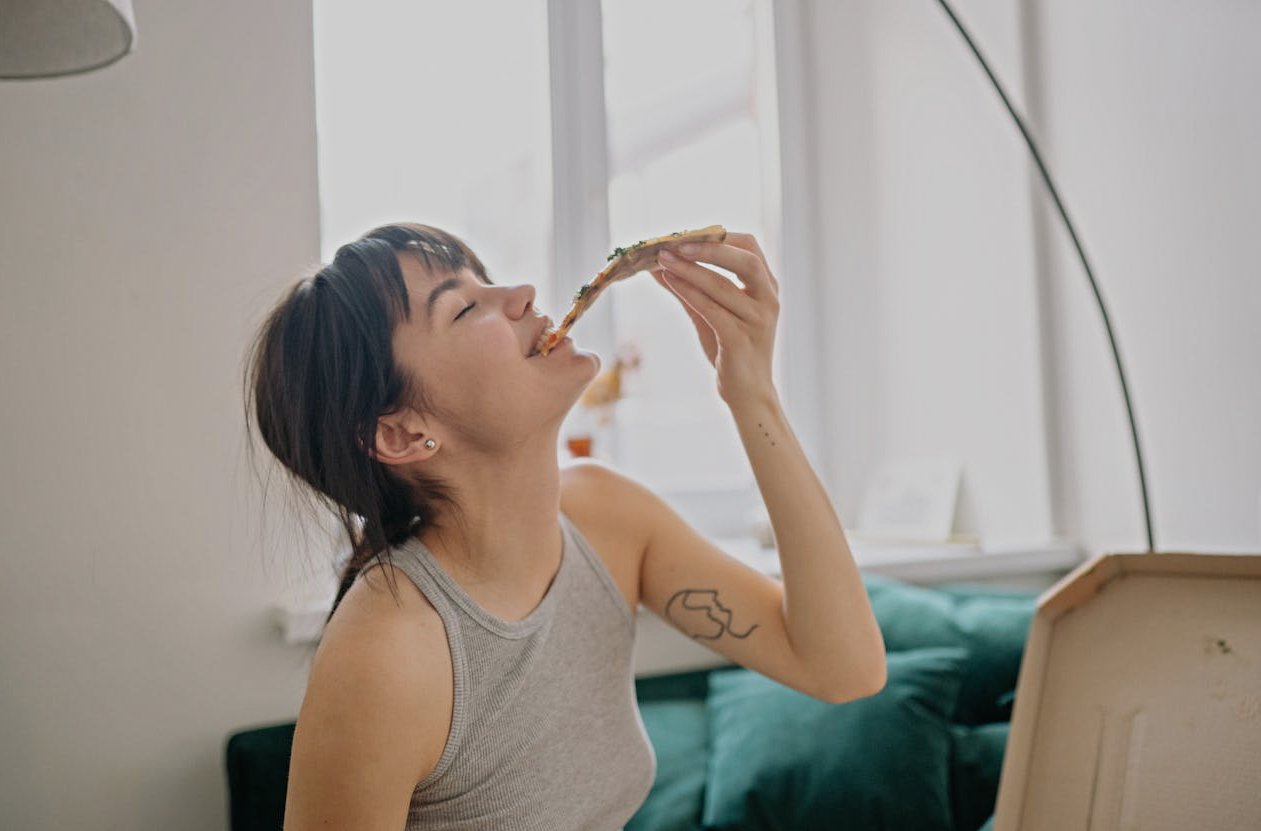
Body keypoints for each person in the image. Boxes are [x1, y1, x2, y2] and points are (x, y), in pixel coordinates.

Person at [243, 222, 886, 830]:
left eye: (483, 279)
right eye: (462, 308)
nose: (520, 294)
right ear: (402, 432)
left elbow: (841, 667)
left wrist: (751, 392)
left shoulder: (608, 519)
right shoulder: (387, 650)